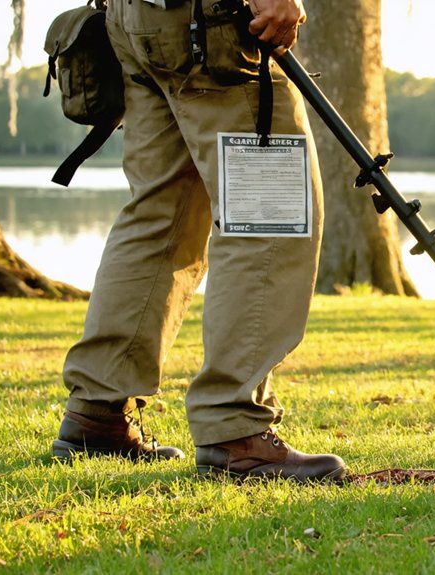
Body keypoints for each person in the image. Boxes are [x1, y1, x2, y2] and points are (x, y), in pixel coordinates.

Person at [50, 0, 346, 482]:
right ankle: (236, 430)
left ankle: (97, 410)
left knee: (162, 214)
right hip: (209, 23)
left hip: (134, 19)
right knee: (267, 218)